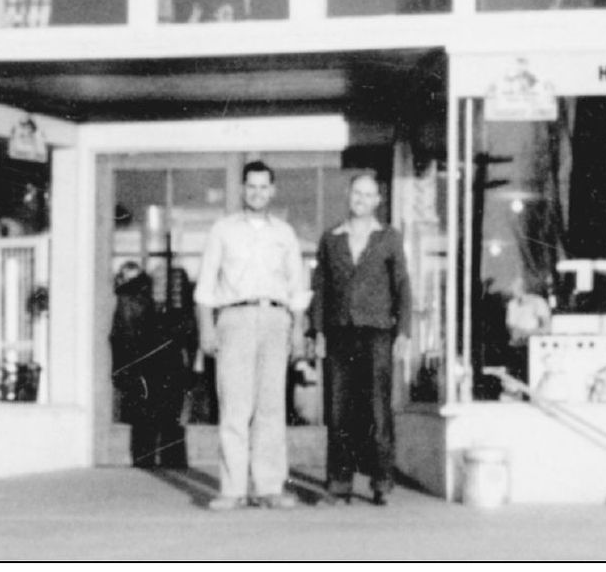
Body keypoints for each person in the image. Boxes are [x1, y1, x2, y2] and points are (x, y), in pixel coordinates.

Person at [194, 160, 311, 511]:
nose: (257, 193)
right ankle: (232, 489)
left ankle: (269, 486)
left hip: (276, 319)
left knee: (271, 407)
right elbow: (206, 284)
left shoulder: (285, 233)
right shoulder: (223, 230)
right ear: (243, 189)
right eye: (251, 186)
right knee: (235, 405)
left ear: (272, 191)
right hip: (234, 318)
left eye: (264, 187)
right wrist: (206, 326)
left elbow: (297, 287)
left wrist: (298, 331)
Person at [310, 171, 411, 506]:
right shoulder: (331, 238)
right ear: (348, 196)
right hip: (339, 333)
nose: (362, 201)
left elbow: (403, 287)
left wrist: (403, 331)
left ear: (378, 201)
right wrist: (319, 331)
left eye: (369, 195)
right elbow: (320, 288)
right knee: (338, 409)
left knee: (377, 409)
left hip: (377, 333)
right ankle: (339, 482)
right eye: (357, 194)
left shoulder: (389, 238)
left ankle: (382, 480)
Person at [110, 261, 188, 468]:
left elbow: (122, 334)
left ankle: (148, 459)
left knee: (149, 414)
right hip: (159, 359)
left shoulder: (130, 297)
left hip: (146, 359)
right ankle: (169, 460)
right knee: (165, 414)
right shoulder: (135, 298)